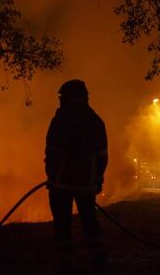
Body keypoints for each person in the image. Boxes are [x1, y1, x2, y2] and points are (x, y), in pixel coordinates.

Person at [45, 79, 108, 266]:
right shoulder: (96, 121)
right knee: (89, 220)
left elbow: (51, 152)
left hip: (61, 183)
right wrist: (97, 178)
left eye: (62, 97)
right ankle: (98, 258)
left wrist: (51, 175)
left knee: (62, 223)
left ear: (69, 97)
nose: (61, 100)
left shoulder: (60, 120)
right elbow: (102, 155)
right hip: (86, 183)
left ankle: (64, 261)